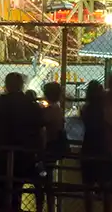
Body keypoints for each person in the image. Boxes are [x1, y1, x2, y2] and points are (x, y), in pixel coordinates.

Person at [0, 72, 45, 212]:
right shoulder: (31, 104)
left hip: (0, 156)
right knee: (17, 187)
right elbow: (41, 129)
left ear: (6, 86)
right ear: (21, 85)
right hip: (25, 156)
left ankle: (8, 207)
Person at [79, 81, 112, 212]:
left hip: (89, 145)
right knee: (106, 186)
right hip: (102, 146)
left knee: (88, 186)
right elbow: (111, 122)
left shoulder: (86, 108)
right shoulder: (104, 109)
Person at [37, 82, 67, 212]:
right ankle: (50, 207)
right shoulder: (57, 110)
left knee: (42, 180)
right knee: (48, 181)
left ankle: (41, 207)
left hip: (45, 148)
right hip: (52, 148)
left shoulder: (47, 111)